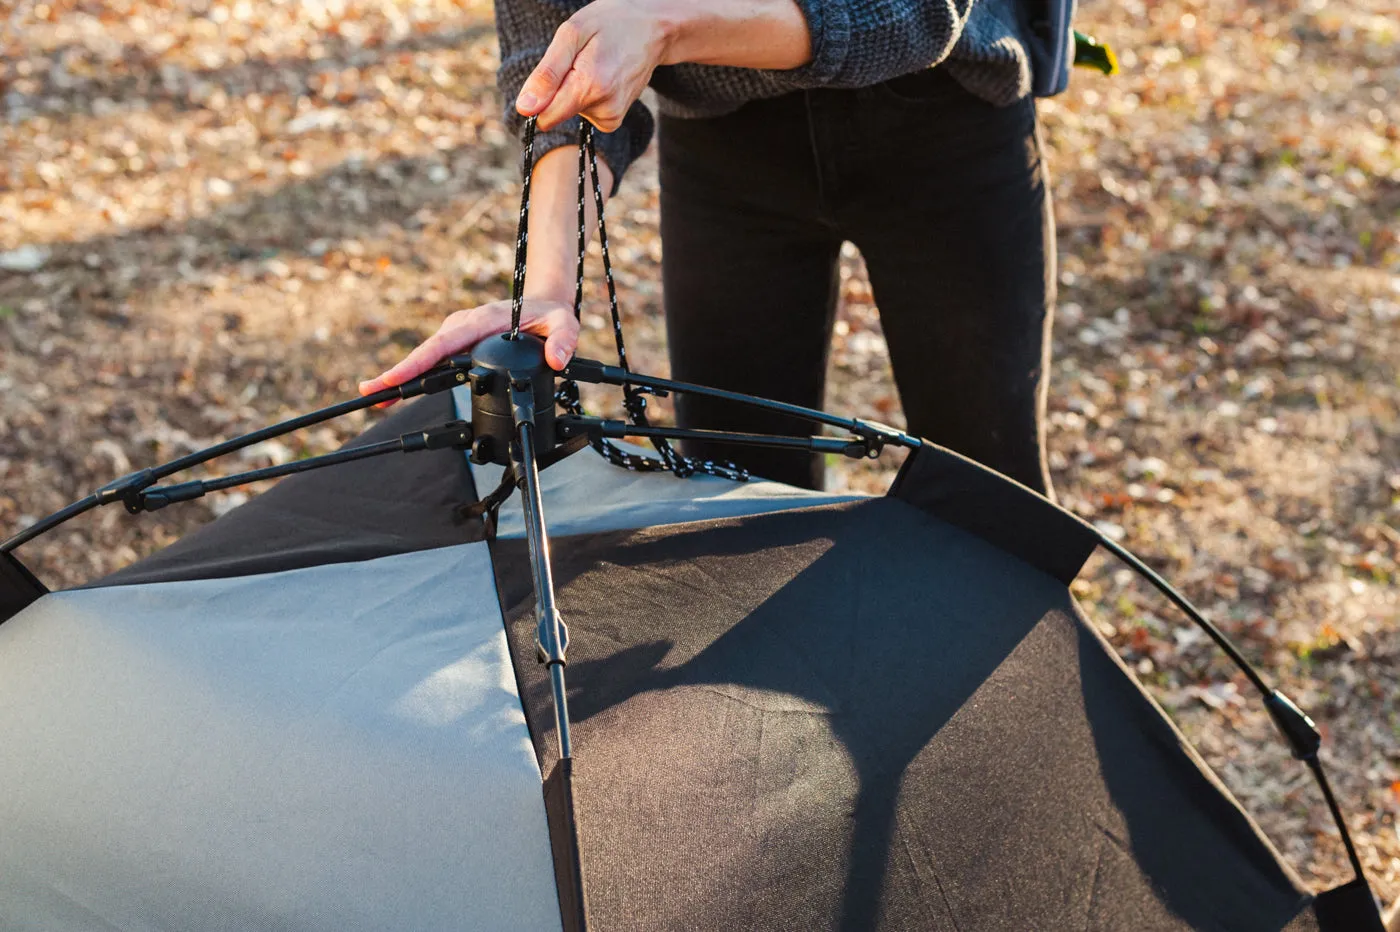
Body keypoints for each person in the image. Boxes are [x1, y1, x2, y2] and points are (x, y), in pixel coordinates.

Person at [361, 0, 1056, 493]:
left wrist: (664, 25)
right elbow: (555, 52)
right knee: (736, 495)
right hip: (728, 149)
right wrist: (545, 289)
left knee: (991, 497)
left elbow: (915, 12)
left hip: (949, 126)